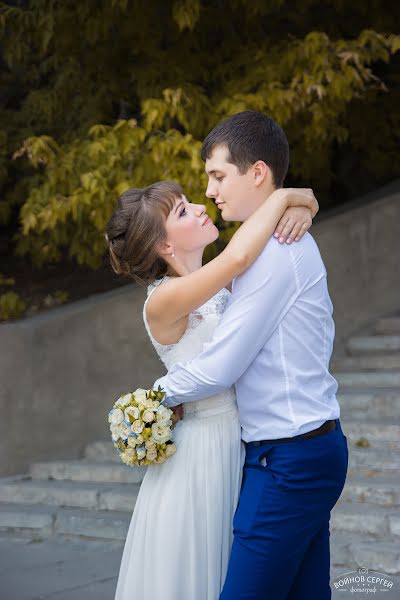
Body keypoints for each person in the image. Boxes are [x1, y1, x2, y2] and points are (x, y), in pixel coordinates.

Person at [152, 111, 348, 600]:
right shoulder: (268, 244)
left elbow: (222, 365)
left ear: (257, 173)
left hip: (289, 457)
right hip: (295, 450)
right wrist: (297, 198)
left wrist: (156, 395)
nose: (212, 192)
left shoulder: (275, 252)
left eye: (218, 176)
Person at [105, 176, 318, 596]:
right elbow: (239, 256)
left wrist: (301, 208)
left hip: (244, 440)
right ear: (165, 247)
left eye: (189, 201)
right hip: (201, 455)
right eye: (183, 211)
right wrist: (287, 197)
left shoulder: (220, 284)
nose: (201, 206)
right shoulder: (163, 300)